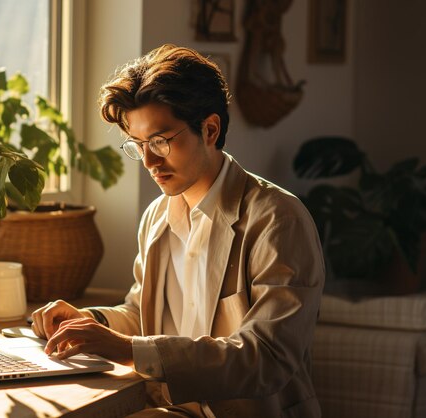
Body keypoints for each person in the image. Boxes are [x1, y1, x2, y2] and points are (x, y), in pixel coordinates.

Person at [31, 44, 325, 417]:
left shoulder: (278, 219)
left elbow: (266, 358)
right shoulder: (157, 217)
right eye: (138, 145)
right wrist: (92, 322)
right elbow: (142, 313)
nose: (150, 161)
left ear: (210, 129)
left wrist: (124, 348)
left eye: (160, 141)